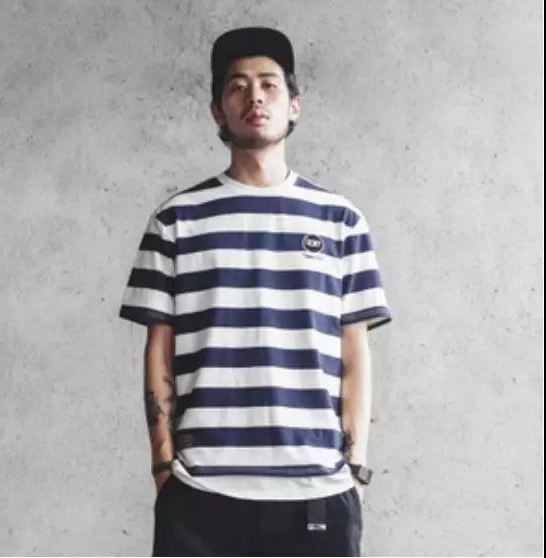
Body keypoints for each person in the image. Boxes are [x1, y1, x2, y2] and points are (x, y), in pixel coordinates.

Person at [118, 26, 392, 557]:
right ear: (217, 110)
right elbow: (159, 351)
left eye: (269, 84)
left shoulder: (341, 221)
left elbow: (355, 353)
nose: (255, 97)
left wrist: (354, 468)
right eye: (237, 86)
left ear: (294, 104)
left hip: (317, 492)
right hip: (201, 495)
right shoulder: (176, 220)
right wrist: (163, 467)